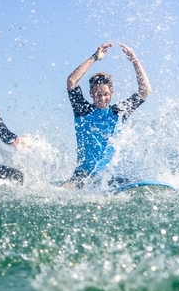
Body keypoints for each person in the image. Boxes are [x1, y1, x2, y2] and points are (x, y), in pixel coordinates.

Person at [63, 43, 151, 189]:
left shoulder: (119, 112)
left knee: (138, 185)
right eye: (98, 95)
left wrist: (135, 60)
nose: (102, 99)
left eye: (105, 94)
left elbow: (145, 91)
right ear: (91, 94)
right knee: (65, 190)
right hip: (84, 174)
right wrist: (95, 57)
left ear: (112, 93)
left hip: (107, 176)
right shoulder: (82, 110)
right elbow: (71, 81)